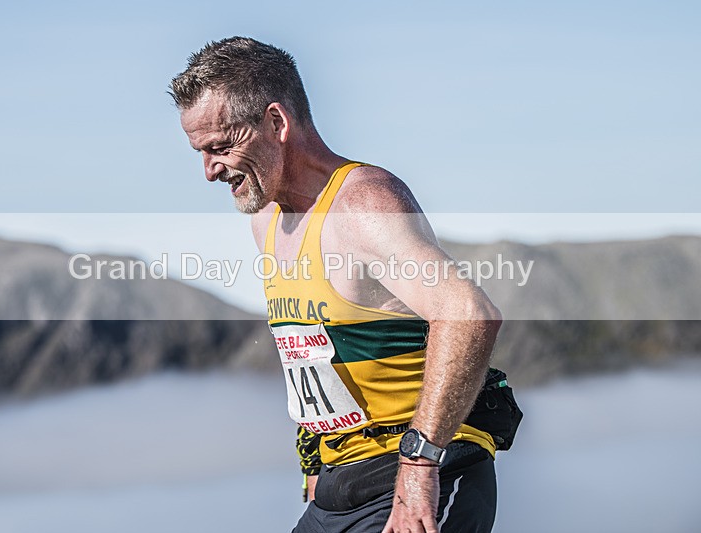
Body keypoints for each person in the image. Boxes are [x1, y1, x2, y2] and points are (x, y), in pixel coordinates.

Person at [171, 36, 504, 533]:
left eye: (220, 147)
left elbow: (468, 314)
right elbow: (309, 347)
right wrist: (314, 457)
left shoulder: (362, 205)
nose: (209, 171)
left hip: (421, 473)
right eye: (200, 152)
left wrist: (418, 466)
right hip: (338, 484)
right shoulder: (267, 220)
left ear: (276, 123)